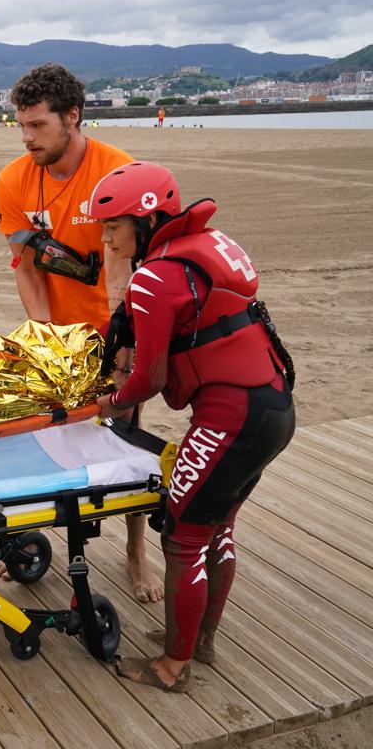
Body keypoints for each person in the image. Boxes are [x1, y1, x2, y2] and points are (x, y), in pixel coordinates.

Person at [90, 162, 295, 691]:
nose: (107, 239)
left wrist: (110, 402)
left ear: (149, 218)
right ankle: (202, 642)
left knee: (182, 538)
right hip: (273, 407)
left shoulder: (156, 274)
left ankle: (172, 666)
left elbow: (151, 376)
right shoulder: (209, 244)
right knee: (218, 527)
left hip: (231, 418)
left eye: (114, 227)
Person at [0, 63, 162, 603]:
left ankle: (135, 552)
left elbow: (121, 268)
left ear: (73, 117)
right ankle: (25, 536)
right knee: (40, 438)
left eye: (37, 125)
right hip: (57, 331)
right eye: (21, 125)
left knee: (126, 439)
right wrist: (45, 339)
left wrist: (122, 348)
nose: (27, 137)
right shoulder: (14, 180)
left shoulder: (117, 173)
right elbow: (25, 265)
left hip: (114, 323)